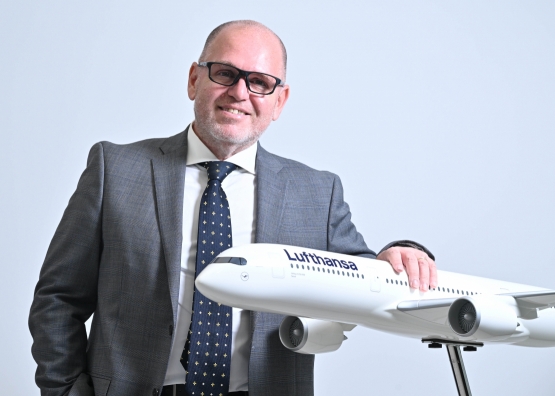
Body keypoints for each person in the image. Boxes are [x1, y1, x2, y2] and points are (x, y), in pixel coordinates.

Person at [29, 20, 437, 396]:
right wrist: (66, 391)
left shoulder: (318, 193)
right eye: (225, 73)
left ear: (280, 101)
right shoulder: (115, 170)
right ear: (194, 79)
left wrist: (400, 252)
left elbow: (362, 278)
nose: (240, 93)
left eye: (260, 82)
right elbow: (58, 298)